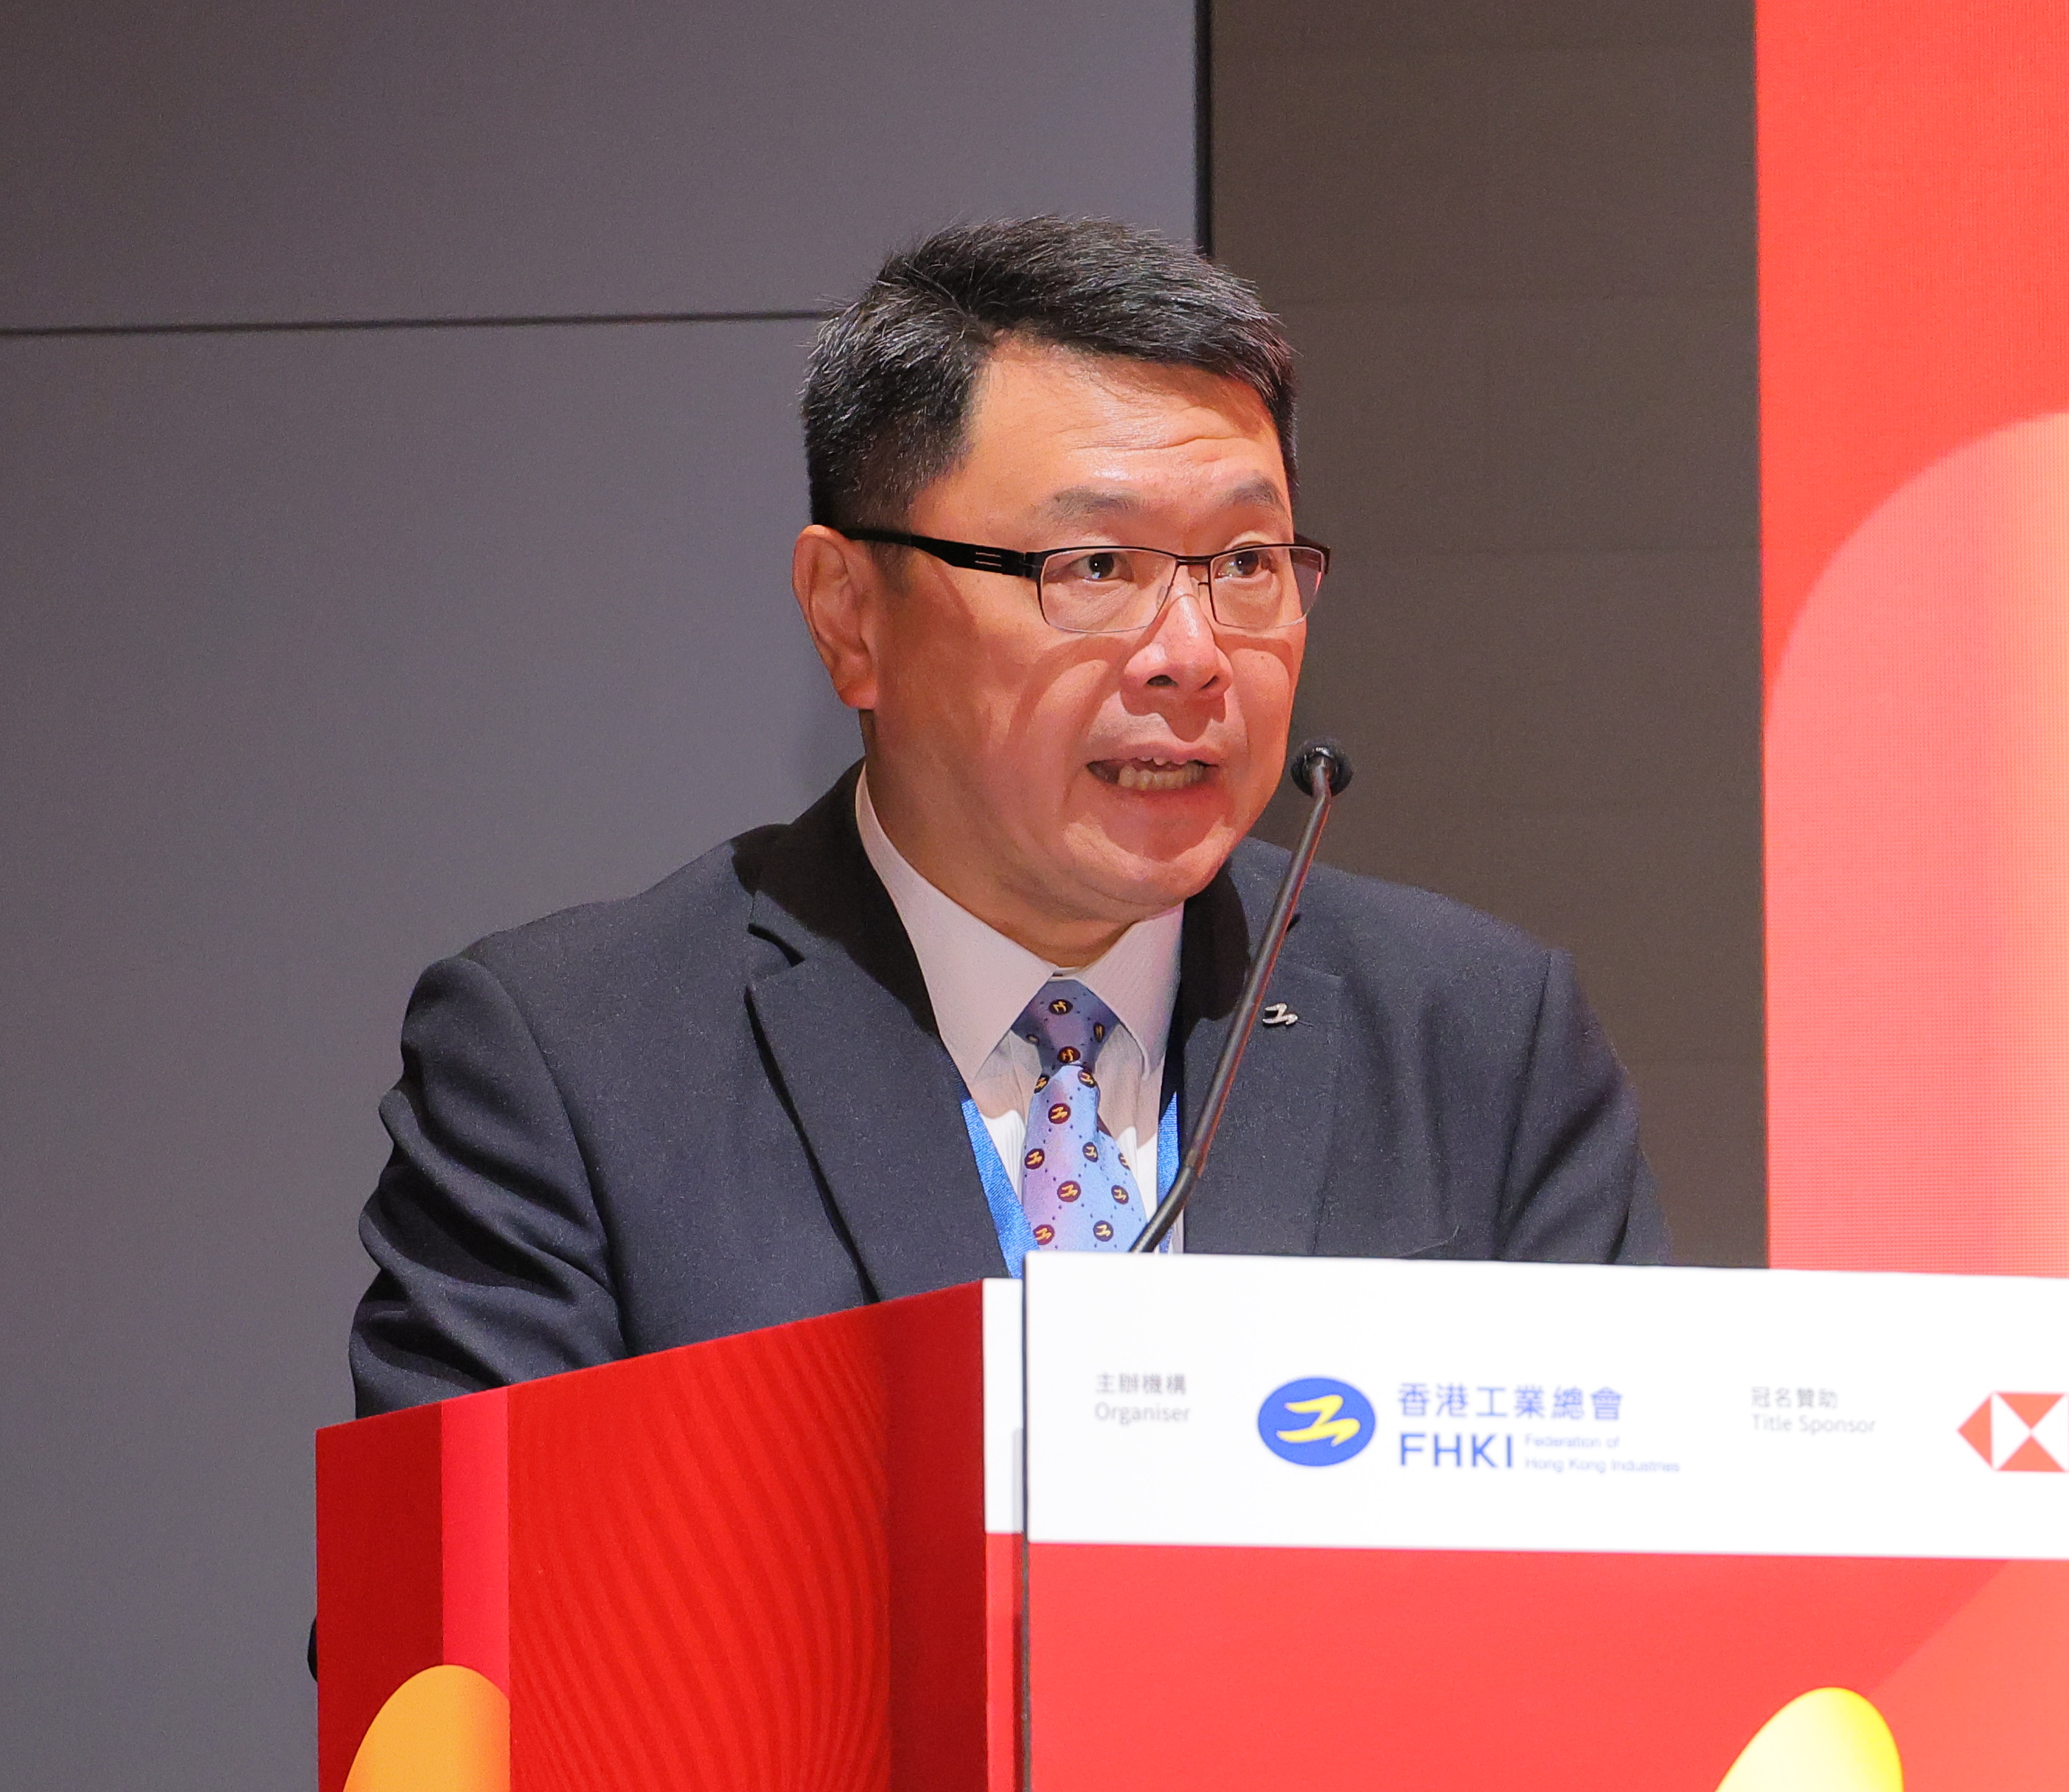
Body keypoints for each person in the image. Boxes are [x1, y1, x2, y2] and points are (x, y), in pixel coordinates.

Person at [347, 218, 1668, 1414]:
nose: (1193, 655)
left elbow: (1631, 1561)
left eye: (1245, 563)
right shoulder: (575, 1068)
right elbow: (472, 1595)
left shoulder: (1476, 1039)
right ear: (849, 617)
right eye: (1094, 565)